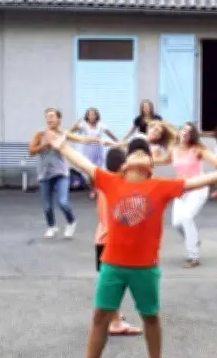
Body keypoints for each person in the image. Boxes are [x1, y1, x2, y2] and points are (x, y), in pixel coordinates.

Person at [53, 135, 217, 358]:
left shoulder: (160, 186)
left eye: (145, 153)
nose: (139, 154)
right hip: (112, 263)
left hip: (145, 267)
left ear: (151, 166)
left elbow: (195, 181)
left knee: (150, 317)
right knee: (100, 315)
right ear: (124, 164)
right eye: (133, 152)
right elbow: (85, 163)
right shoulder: (111, 182)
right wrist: (62, 146)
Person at [155, 122, 217, 267]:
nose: (184, 133)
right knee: (177, 224)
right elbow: (164, 160)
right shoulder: (174, 149)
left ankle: (193, 256)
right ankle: (193, 239)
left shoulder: (197, 149)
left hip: (198, 188)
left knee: (186, 218)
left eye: (188, 132)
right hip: (181, 188)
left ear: (192, 136)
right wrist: (146, 160)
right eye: (183, 130)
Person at [29, 108, 111, 239]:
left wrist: (101, 141)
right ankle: (52, 227)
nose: (49, 119)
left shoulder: (64, 133)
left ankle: (71, 221)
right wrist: (44, 145)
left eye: (52, 116)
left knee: (62, 202)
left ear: (59, 119)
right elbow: (31, 151)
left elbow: (82, 139)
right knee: (47, 207)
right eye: (47, 117)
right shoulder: (40, 133)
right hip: (44, 174)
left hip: (61, 172)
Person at [94, 147, 141, 336]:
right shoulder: (120, 186)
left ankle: (114, 318)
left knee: (110, 282)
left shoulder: (104, 183)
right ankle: (113, 321)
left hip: (101, 237)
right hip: (112, 240)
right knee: (115, 283)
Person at [70, 108, 118, 200]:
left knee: (98, 171)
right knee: (90, 171)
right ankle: (92, 189)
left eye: (93, 114)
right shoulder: (83, 125)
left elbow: (110, 134)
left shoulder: (101, 125)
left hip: (98, 150)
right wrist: (76, 123)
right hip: (87, 150)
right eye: (90, 114)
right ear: (87, 116)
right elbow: (70, 132)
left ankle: (99, 188)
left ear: (97, 116)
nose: (92, 116)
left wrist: (118, 142)